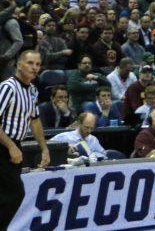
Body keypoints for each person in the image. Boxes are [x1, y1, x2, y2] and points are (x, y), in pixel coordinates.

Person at [0, 50, 50, 228]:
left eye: (37, 64)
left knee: (8, 195)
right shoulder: (8, 87)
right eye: (30, 63)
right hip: (3, 145)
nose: (34, 67)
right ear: (18, 64)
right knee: (15, 193)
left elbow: (35, 121)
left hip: (15, 145)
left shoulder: (33, 90)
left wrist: (44, 148)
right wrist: (11, 146)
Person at [50, 112, 118, 161]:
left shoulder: (93, 139)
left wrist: (91, 154)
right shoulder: (65, 137)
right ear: (79, 124)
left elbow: (104, 155)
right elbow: (46, 145)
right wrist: (64, 147)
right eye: (86, 127)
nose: (89, 131)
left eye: (91, 128)